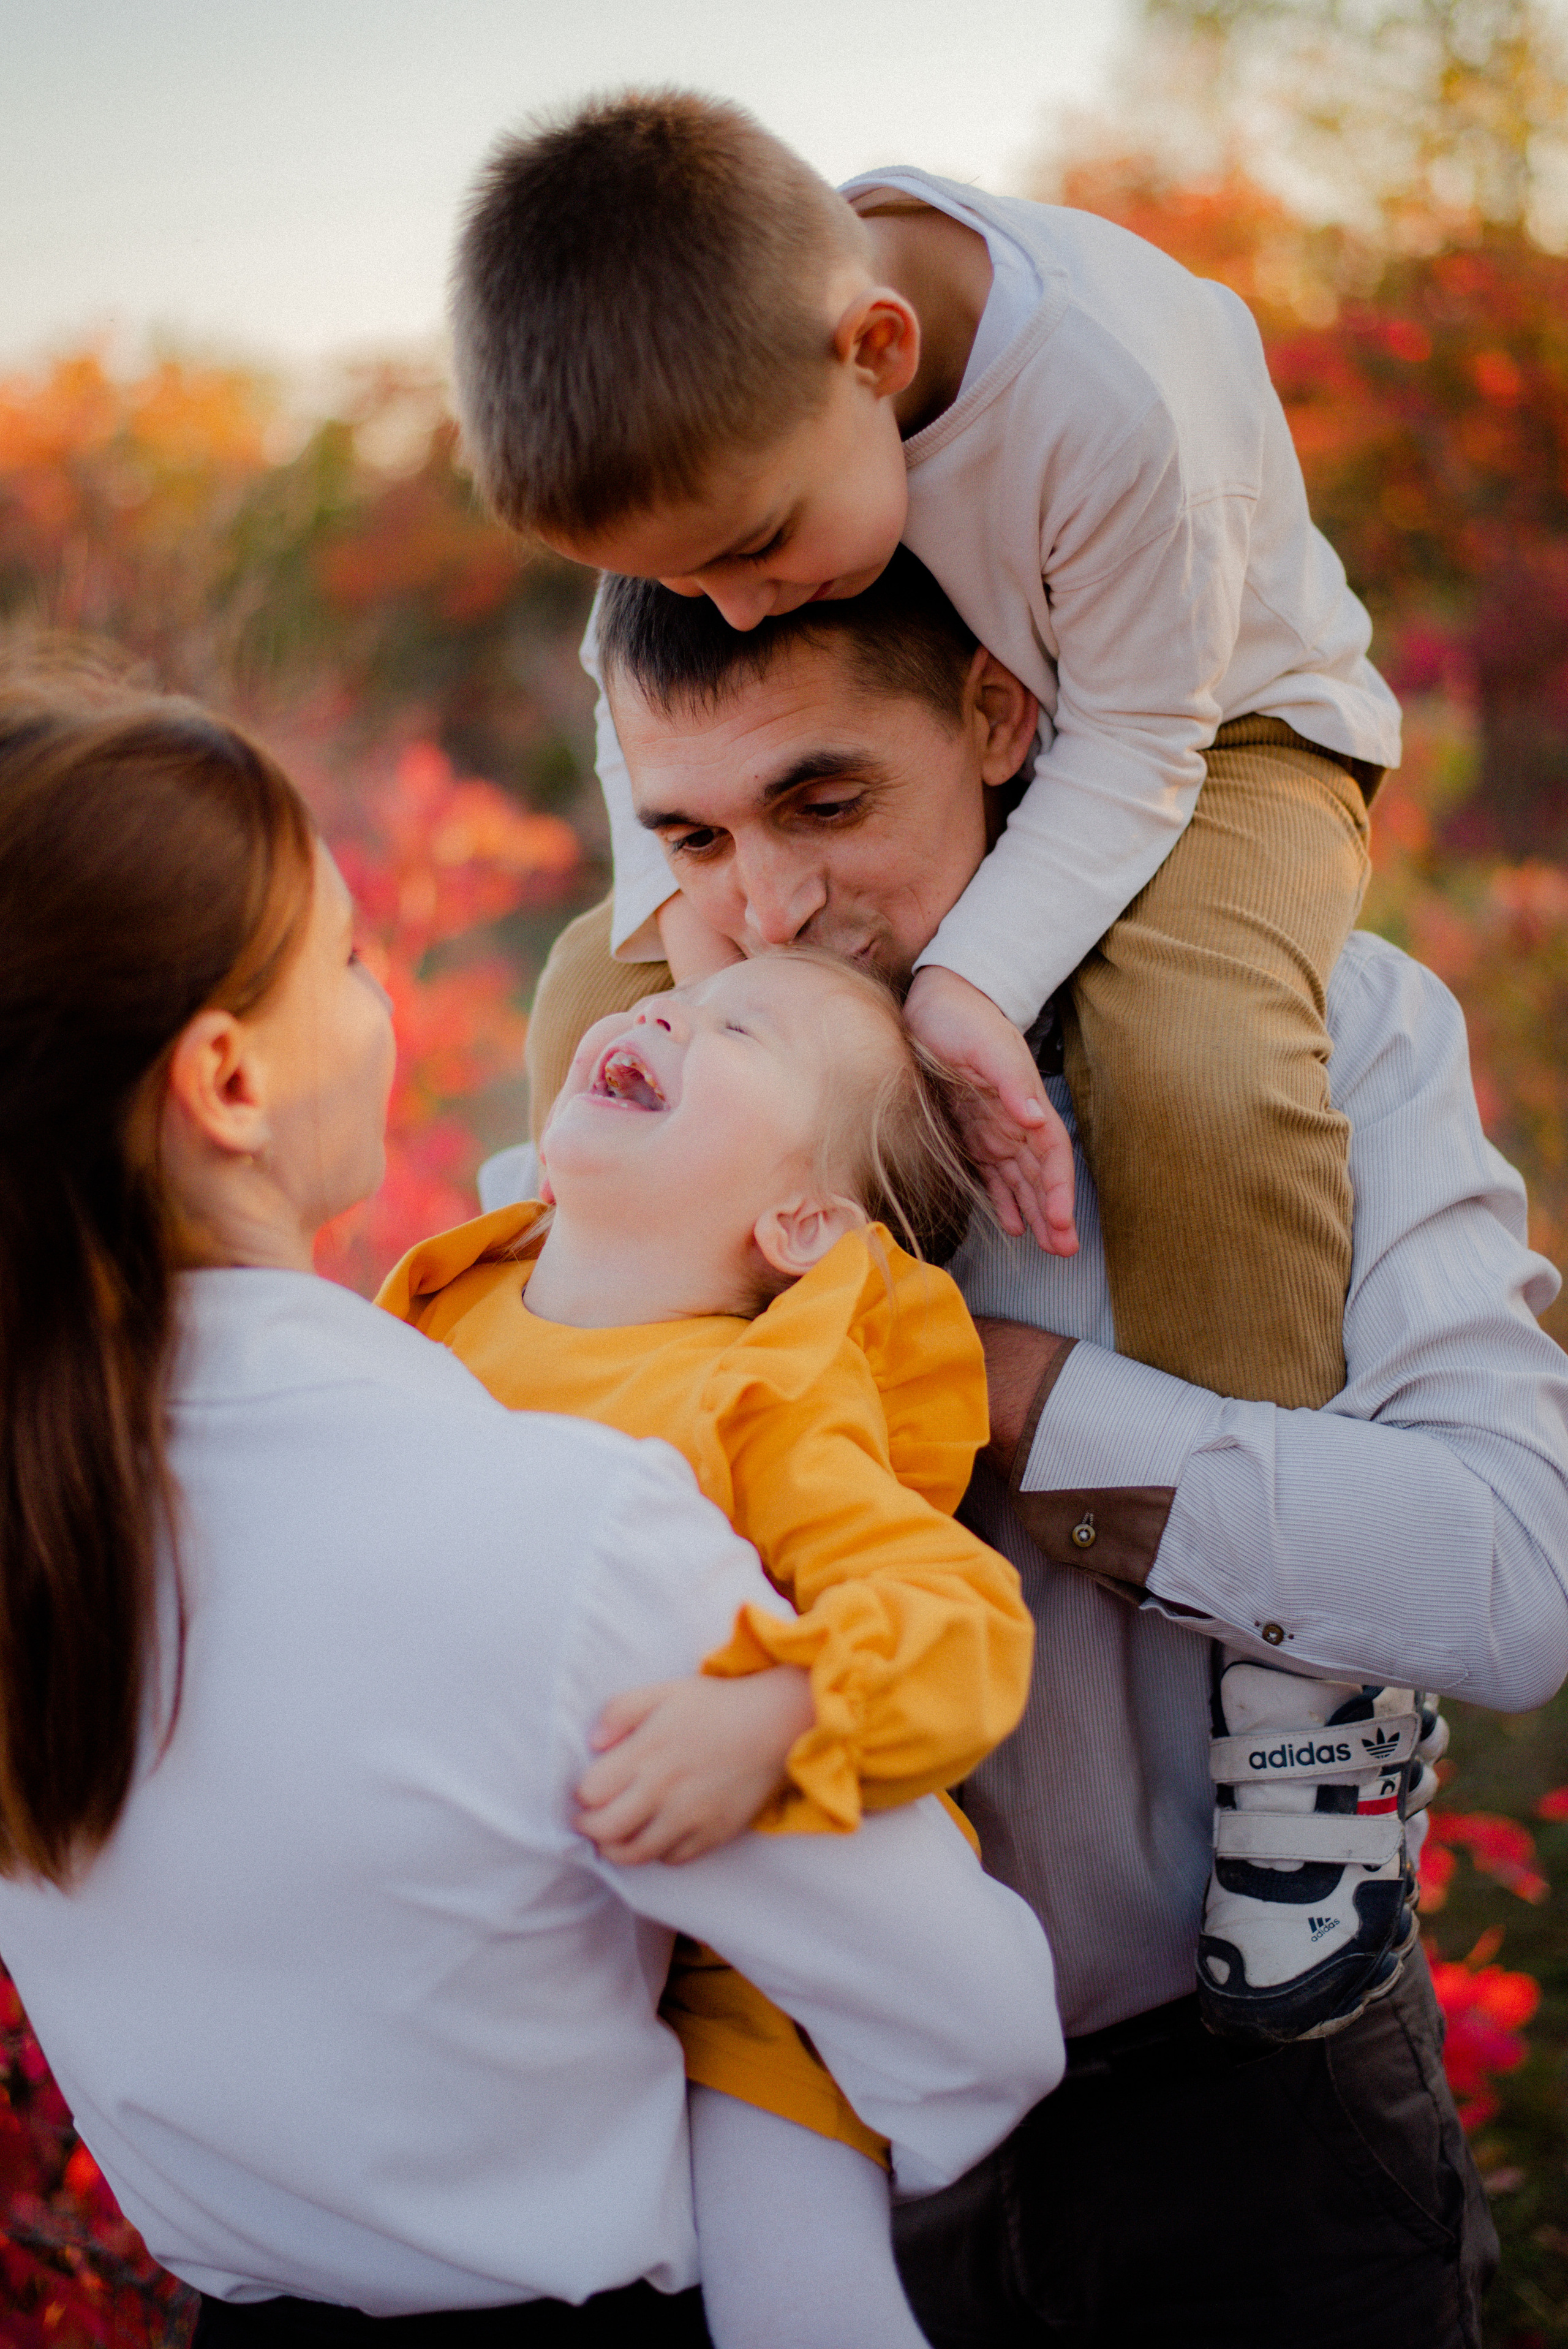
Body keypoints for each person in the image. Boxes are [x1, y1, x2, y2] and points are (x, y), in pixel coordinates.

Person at [475, 566, 1568, 2347]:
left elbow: (1518, 1574)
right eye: (690, 836)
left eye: (827, 801)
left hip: (1252, 2132)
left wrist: (1032, 1398)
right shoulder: (620, 1114)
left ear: (998, 722)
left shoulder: (1314, 1037)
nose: (768, 909)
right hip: (772, 2135)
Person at [449, 91, 1406, 2040]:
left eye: (752, 555)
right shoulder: (718, 420)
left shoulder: (1106, 403)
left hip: (1221, 729)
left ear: (879, 358)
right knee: (585, 991)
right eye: (687, 587)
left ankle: (1312, 1716)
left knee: (1196, 1055)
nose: (731, 601)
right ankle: (612, 1505)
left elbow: (1139, 749)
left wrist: (963, 994)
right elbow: (658, 732)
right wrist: (682, 939)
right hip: (830, 2023)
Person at [0, 670, 1066, 2345]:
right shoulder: (566, 1529)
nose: (383, 994)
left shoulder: (59, 1501)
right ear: (225, 1080)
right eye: (349, 960)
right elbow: (980, 2030)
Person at [379, 947, 1034, 2349]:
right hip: (501, 1930)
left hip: (740, 1984)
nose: (663, 1005)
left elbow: (957, 1616)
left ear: (800, 1220)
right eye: (672, 994)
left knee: (802, 2304)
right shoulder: (435, 1313)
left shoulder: (761, 1395)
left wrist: (782, 1713)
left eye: (742, 1026)